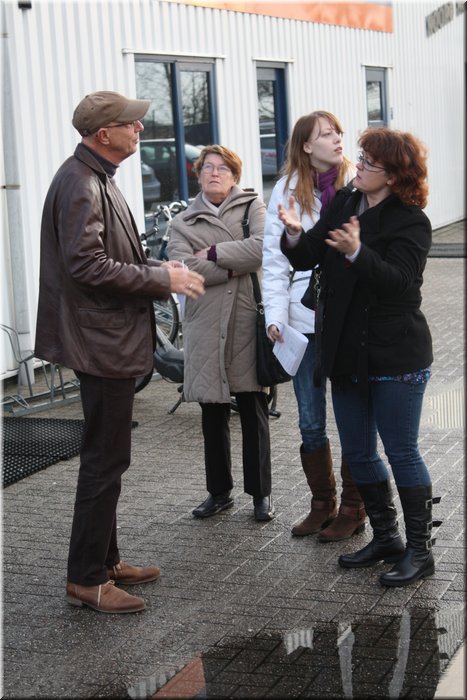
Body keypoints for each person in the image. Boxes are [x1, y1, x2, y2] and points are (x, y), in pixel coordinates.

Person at [34, 90, 205, 614]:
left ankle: (105, 562)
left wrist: (158, 271)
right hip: (100, 342)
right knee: (104, 461)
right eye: (131, 123)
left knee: (109, 457)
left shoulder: (95, 177)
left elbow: (104, 258)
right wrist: (162, 279)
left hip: (105, 339)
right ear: (103, 133)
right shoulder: (81, 183)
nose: (139, 129)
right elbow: (87, 266)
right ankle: (87, 580)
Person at [279, 127, 437, 587]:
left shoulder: (412, 221)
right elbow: (309, 255)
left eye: (369, 162)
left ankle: (420, 551)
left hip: (395, 354)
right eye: (361, 158)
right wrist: (294, 235)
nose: (359, 166)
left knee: (401, 451)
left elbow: (401, 283)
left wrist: (357, 252)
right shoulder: (346, 202)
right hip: (347, 350)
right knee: (358, 451)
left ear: (394, 175)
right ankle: (387, 538)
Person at [262, 111, 365, 542]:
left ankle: (354, 507)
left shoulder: (358, 182)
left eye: (338, 131)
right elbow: (274, 260)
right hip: (303, 322)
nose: (337, 138)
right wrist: (274, 317)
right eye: (326, 134)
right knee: (310, 421)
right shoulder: (286, 190)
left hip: (349, 320)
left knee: (354, 418)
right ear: (306, 145)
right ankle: (322, 504)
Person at [168, 145, 275, 522]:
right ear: (198, 175)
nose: (214, 173)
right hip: (204, 322)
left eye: (223, 168)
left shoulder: (252, 207)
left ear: (235, 176)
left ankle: (261, 494)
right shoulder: (182, 221)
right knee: (211, 412)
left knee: (253, 408)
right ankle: (219, 492)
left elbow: (262, 249)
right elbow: (183, 270)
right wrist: (234, 264)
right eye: (207, 168)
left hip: (245, 319)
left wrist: (212, 253)